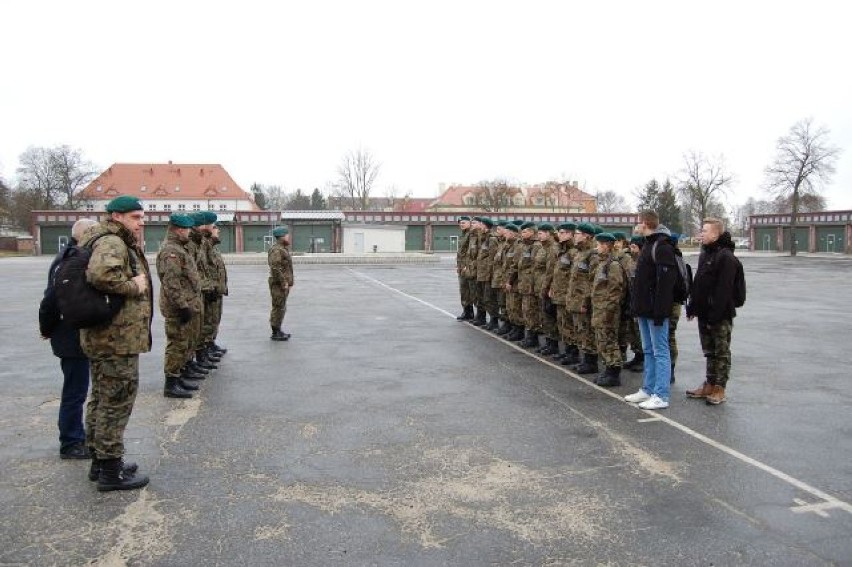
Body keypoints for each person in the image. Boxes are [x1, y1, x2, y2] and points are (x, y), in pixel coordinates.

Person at [80, 195, 152, 491]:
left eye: (141, 216)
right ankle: (111, 471)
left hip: (108, 337)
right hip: (115, 339)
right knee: (115, 402)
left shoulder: (107, 238)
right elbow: (102, 275)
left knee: (101, 399)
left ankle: (100, 461)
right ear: (117, 216)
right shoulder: (112, 241)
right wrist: (133, 286)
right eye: (135, 217)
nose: (141, 221)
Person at [38, 218, 97, 459]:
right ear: (82, 236)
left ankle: (76, 436)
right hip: (71, 336)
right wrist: (47, 327)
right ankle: (71, 442)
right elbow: (51, 299)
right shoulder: (71, 262)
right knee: (75, 391)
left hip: (69, 333)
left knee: (78, 389)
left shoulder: (70, 258)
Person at [624, 211, 677, 410]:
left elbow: (665, 284)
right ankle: (648, 389)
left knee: (660, 351)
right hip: (645, 309)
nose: (636, 225)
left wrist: (660, 312)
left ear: (645, 223)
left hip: (656, 312)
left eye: (639, 222)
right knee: (647, 350)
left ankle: (661, 395)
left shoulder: (662, 247)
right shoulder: (648, 244)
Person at [686, 219, 739, 405]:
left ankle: (719, 388)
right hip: (704, 313)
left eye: (705, 230)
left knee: (721, 352)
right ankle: (709, 384)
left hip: (720, 315)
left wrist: (715, 316)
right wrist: (692, 307)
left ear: (715, 234)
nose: (701, 233)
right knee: (709, 351)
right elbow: (699, 283)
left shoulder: (726, 257)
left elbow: (724, 290)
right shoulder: (705, 254)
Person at [156, 213, 203, 399]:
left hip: (187, 304)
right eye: (187, 229)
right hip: (177, 307)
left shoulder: (180, 248)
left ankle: (180, 375)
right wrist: (183, 306)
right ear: (178, 229)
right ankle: (171, 383)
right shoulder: (171, 252)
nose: (190, 233)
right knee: (177, 344)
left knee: (185, 342)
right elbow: (171, 282)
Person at [590, 233, 626, 387]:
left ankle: (614, 372)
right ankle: (607, 369)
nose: (596, 247)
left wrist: (609, 312)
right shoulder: (602, 263)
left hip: (607, 311)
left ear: (606, 246)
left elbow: (615, 291)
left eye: (598, 244)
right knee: (602, 341)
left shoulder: (613, 265)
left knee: (609, 340)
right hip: (599, 309)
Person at [567, 223, 599, 374]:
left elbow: (592, 281)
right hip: (576, 298)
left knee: (587, 330)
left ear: (586, 236)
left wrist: (586, 301)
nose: (575, 236)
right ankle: (585, 359)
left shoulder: (593, 255)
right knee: (580, 330)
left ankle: (591, 361)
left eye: (578, 233)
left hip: (584, 300)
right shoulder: (580, 253)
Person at [549, 222, 577, 364]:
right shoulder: (563, 250)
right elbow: (557, 273)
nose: (559, 235)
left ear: (570, 234)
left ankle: (573, 353)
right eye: (559, 232)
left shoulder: (573, 252)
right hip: (559, 293)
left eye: (562, 232)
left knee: (569, 324)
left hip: (568, 294)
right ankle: (567, 351)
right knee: (562, 323)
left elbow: (574, 277)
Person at [533, 223, 558, 354]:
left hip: (547, 287)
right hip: (539, 285)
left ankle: (553, 344)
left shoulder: (552, 248)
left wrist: (547, 287)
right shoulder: (543, 248)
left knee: (549, 316)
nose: (539, 235)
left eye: (541, 233)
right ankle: (549, 342)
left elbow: (550, 271)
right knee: (544, 316)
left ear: (549, 233)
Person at [268, 226, 294, 341]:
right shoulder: (277, 250)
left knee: (281, 307)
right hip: (278, 284)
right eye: (287, 235)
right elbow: (275, 268)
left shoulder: (282, 248)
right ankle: (275, 332)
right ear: (282, 236)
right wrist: (283, 282)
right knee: (278, 307)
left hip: (282, 284)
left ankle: (278, 329)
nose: (289, 237)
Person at [473, 217, 498, 328]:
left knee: (489, 298)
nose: (480, 227)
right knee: (481, 297)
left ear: (486, 226)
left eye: (481, 225)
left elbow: (492, 258)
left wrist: (489, 273)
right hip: (481, 273)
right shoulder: (483, 238)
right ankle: (482, 318)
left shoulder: (491, 239)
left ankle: (493, 321)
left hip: (487, 274)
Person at [208, 222, 229, 356]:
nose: (218, 231)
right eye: (215, 227)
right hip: (210, 291)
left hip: (216, 291)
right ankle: (205, 350)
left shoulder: (214, 249)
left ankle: (211, 343)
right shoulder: (206, 249)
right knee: (208, 321)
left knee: (215, 319)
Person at [455, 216, 474, 321]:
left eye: (463, 223)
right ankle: (467, 311)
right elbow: (461, 253)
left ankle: (469, 312)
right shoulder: (463, 235)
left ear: (469, 223)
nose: (461, 225)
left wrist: (466, 265)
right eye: (460, 223)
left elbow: (470, 253)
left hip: (467, 267)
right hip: (462, 266)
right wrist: (458, 265)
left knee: (468, 289)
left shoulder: (470, 235)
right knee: (463, 289)